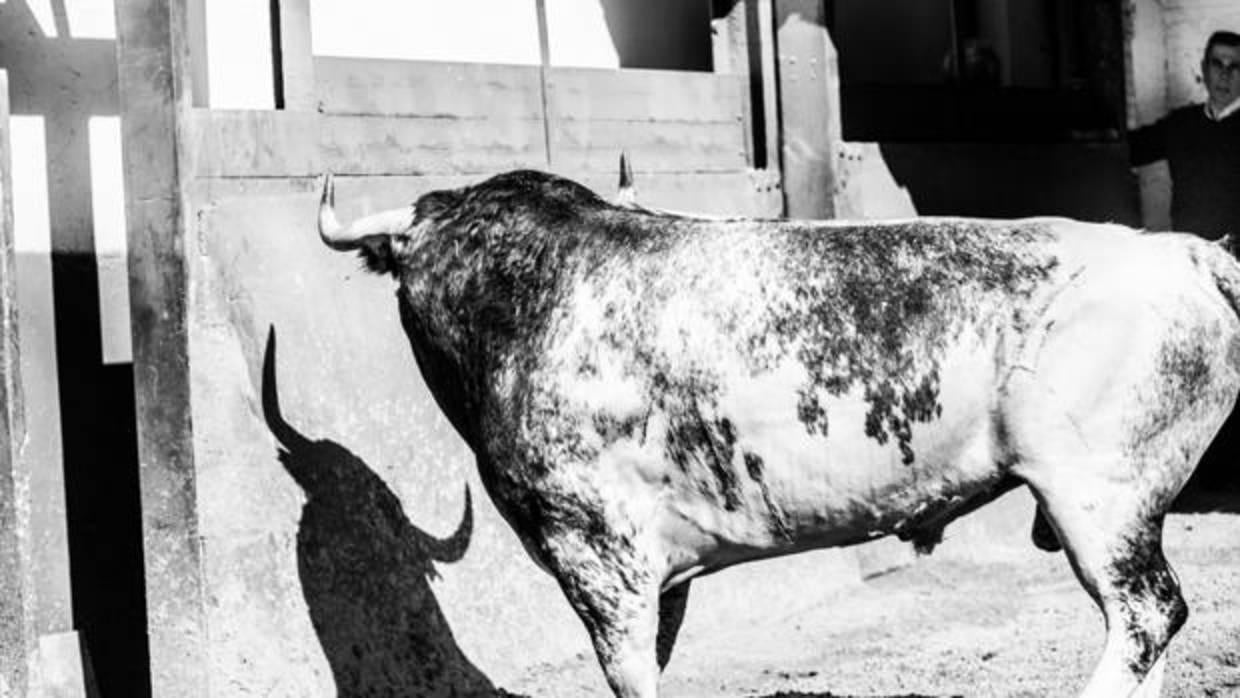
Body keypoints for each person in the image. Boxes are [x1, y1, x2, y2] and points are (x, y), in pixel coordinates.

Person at [1129, 30, 1240, 242]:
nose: (1224, 75)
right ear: (1203, 69)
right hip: (1192, 257)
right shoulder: (1180, 125)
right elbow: (1131, 149)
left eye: (1234, 67)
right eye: (1217, 64)